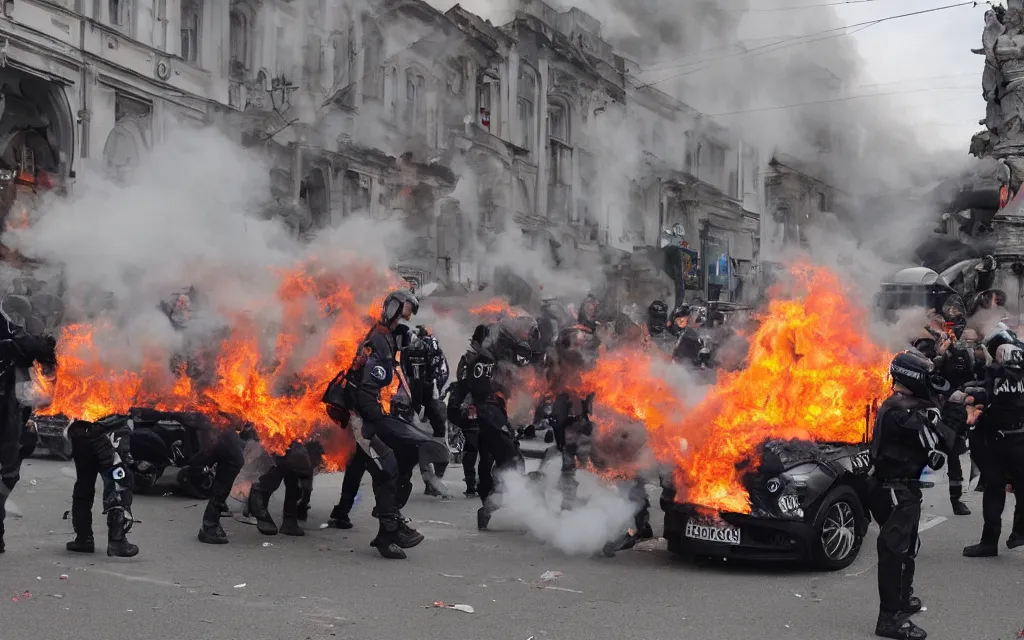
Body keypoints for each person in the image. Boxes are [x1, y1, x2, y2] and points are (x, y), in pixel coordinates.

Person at [322, 289, 446, 559]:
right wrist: (377, 421)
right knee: (386, 467)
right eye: (405, 312)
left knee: (395, 461)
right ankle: (389, 530)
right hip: (364, 417)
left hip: (375, 413)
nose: (406, 319)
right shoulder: (376, 340)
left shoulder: (388, 338)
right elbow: (366, 388)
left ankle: (385, 522)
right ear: (393, 308)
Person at [867, 350, 960, 640]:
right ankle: (890, 618)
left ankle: (903, 601)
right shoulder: (903, 412)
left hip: (898, 487)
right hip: (895, 489)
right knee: (895, 552)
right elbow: (943, 448)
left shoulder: (902, 405)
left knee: (906, 547)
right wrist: (956, 413)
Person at [447, 320, 530, 530]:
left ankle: (488, 507)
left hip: (486, 417)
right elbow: (481, 391)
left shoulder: (481, 360)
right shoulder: (481, 362)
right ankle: (500, 505)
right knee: (511, 461)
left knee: (487, 461)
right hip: (487, 416)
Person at [0, 293, 57, 554]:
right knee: (9, 471)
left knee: (10, 468)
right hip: (6, 412)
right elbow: (35, 348)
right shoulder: (8, 328)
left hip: (11, 409)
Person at [961, 328, 1024, 557]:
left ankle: (989, 542)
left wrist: (967, 396)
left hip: (997, 441)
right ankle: (1019, 533)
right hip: (1019, 439)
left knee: (994, 491)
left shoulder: (995, 376)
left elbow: (982, 396)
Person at [66, 415, 140, 558]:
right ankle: (117, 542)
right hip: (108, 433)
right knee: (118, 484)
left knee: (84, 484)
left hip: (81, 432)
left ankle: (84, 538)